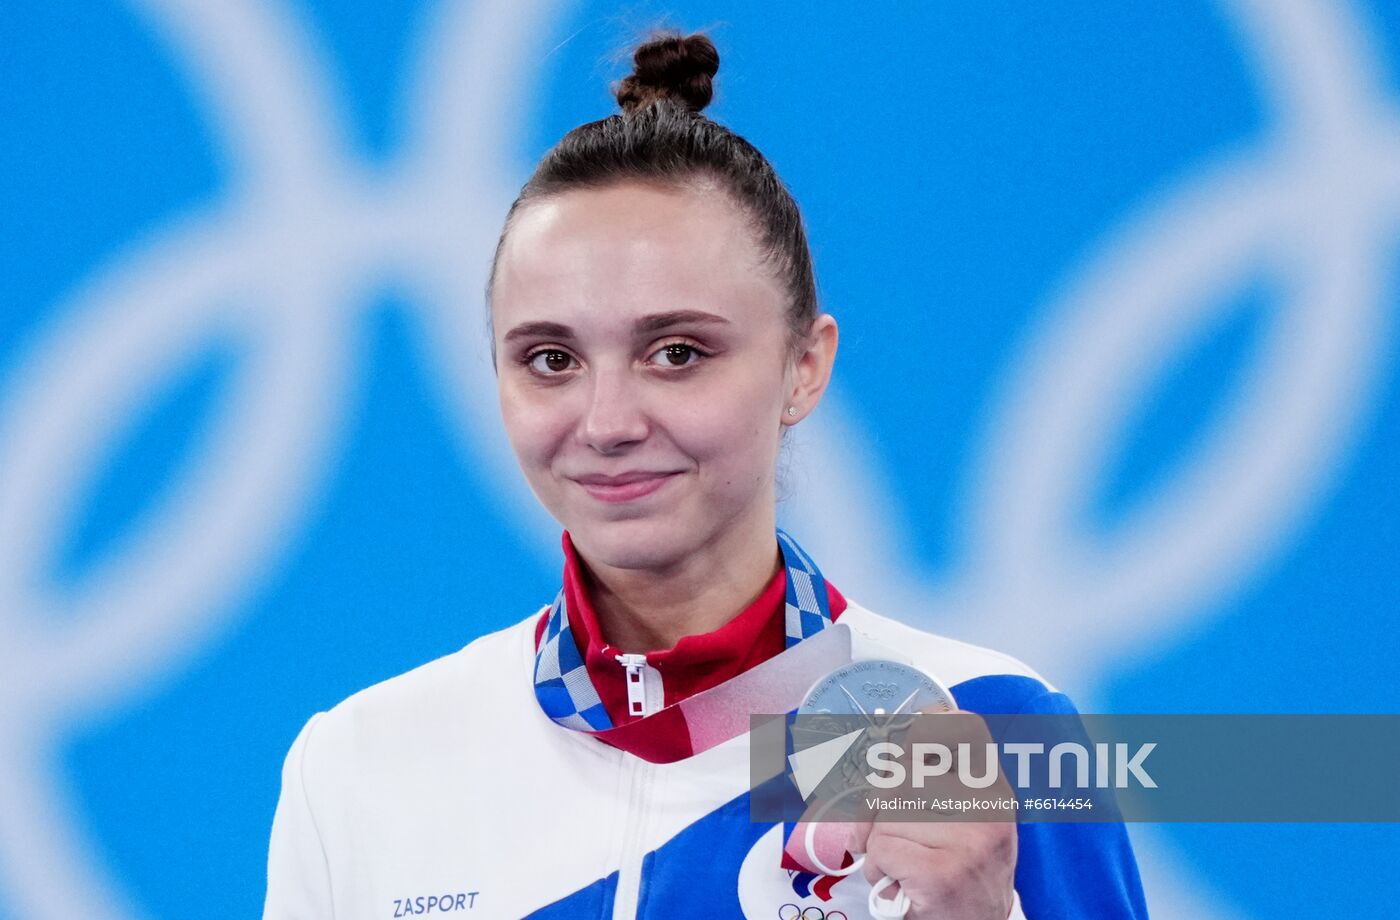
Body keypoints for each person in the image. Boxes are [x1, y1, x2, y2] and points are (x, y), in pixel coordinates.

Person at [263, 31, 1148, 920]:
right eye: (550, 359)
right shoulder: (358, 769)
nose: (607, 422)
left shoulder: (995, 728)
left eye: (676, 352)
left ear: (804, 365)